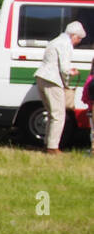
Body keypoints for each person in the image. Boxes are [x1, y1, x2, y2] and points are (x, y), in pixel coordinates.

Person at [34, 21, 85, 154]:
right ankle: (52, 147)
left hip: (42, 77)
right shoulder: (65, 44)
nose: (78, 42)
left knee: (51, 113)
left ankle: (48, 143)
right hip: (53, 80)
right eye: (79, 39)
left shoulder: (55, 41)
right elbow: (64, 67)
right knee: (59, 115)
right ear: (74, 36)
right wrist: (70, 74)